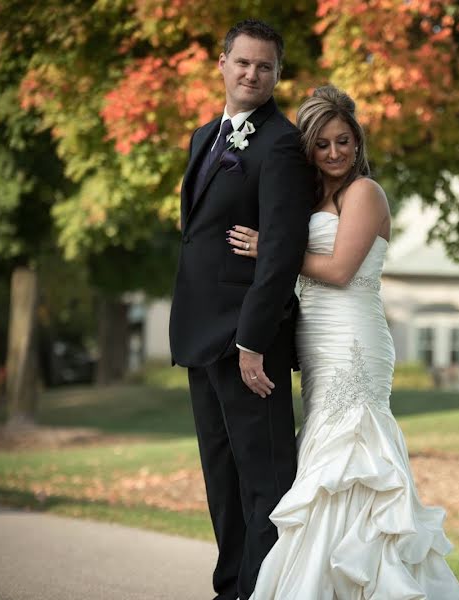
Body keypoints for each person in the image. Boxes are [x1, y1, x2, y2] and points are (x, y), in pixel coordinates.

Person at [226, 85, 459, 599]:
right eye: (323, 144)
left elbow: (337, 271)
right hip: (315, 343)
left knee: (350, 462)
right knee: (324, 459)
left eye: (344, 141)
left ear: (358, 142)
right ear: (308, 148)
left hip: (354, 340)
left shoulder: (364, 193)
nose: (336, 153)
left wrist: (269, 249)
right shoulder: (312, 197)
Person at [168, 19, 315, 600]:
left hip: (249, 341)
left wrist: (252, 339)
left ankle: (265, 592)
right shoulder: (204, 136)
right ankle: (229, 588)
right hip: (200, 335)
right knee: (222, 481)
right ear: (223, 64)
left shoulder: (282, 143)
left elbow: (280, 251)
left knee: (266, 483)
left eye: (266, 66)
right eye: (244, 62)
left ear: (277, 75)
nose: (253, 74)